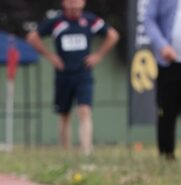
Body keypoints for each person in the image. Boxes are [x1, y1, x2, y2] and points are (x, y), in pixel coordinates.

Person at [26, 0, 119, 156]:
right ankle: (65, 152)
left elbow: (113, 35)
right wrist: (50, 56)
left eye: (77, 1)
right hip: (63, 75)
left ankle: (86, 151)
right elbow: (32, 37)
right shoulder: (56, 21)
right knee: (64, 114)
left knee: (84, 110)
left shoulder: (90, 20)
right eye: (70, 1)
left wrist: (98, 55)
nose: (74, 5)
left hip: (83, 74)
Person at [145, 0, 181, 160]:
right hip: (169, 62)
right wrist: (162, 45)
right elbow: (149, 19)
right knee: (167, 111)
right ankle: (166, 156)